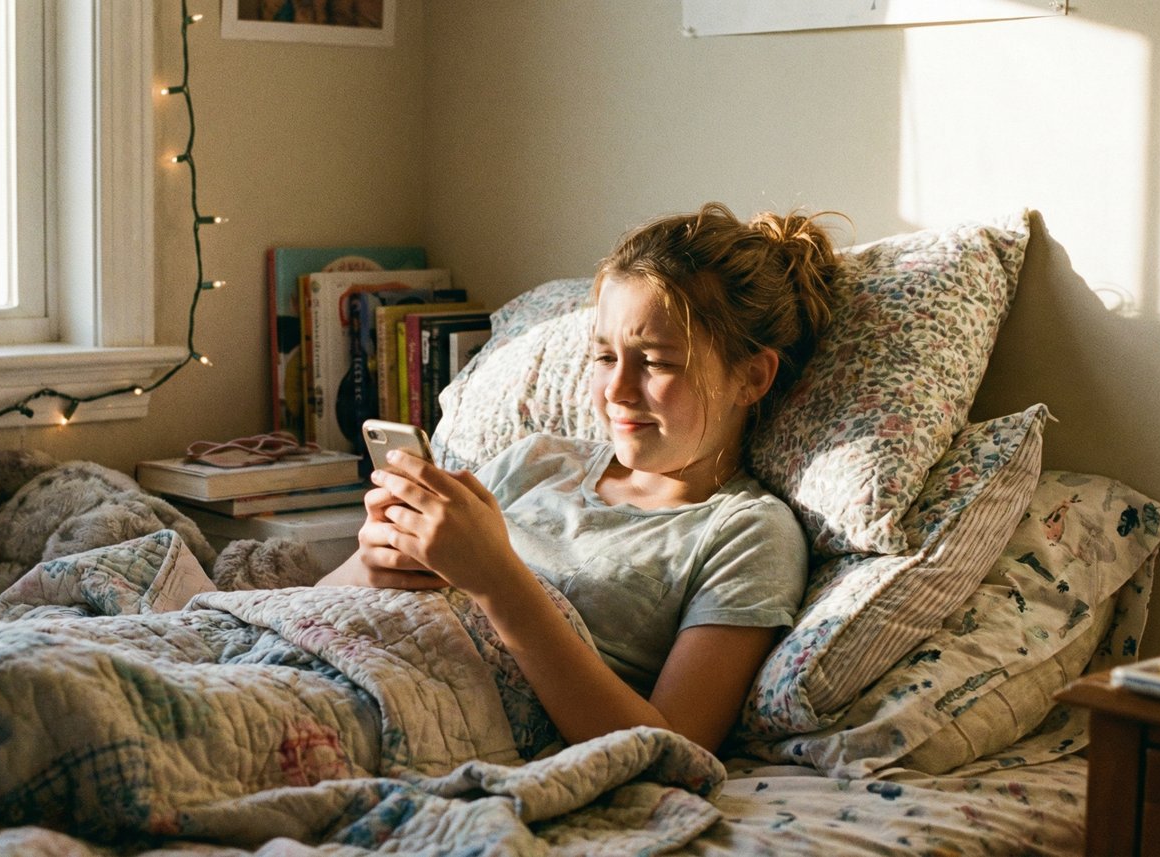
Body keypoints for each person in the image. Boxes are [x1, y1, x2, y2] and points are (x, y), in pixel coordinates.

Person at [319, 201, 841, 754]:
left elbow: (674, 749)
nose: (617, 390)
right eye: (604, 357)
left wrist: (497, 579)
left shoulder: (746, 535)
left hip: (422, 719)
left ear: (752, 377)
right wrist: (374, 564)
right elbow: (313, 602)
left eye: (656, 362)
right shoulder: (538, 461)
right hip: (343, 658)